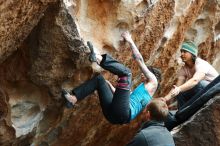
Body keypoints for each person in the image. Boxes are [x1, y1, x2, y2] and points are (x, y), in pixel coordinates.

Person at [62, 31, 161, 124]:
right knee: (99, 80)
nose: (143, 73)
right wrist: (107, 84)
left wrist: (130, 41)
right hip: (113, 116)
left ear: (152, 74)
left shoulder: (154, 82)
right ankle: (73, 99)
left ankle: (98, 58)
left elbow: (139, 59)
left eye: (147, 72)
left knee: (127, 74)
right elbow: (124, 97)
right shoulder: (146, 91)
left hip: (123, 112)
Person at [164, 41, 219, 109]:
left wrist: (179, 89)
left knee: (199, 84)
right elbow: (177, 86)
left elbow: (195, 80)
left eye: (185, 52)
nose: (181, 54)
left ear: (192, 53)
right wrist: (165, 99)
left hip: (216, 88)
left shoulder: (201, 64)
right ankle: (182, 114)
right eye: (181, 51)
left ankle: (195, 110)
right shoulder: (184, 69)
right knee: (180, 92)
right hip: (204, 90)